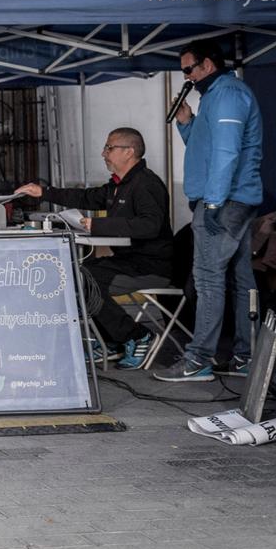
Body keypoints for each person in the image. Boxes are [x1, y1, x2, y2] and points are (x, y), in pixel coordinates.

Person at [14, 127, 172, 369]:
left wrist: (98, 225)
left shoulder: (146, 184)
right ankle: (112, 340)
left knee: (84, 280)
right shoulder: (118, 185)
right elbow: (86, 198)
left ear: (129, 152)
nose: (103, 153)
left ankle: (137, 335)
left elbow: (150, 225)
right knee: (74, 272)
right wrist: (44, 192)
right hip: (127, 262)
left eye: (110, 148)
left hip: (150, 266)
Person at [155, 40, 263, 383]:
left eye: (188, 69)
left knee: (208, 279)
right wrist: (186, 123)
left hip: (226, 200)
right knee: (241, 280)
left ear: (207, 66)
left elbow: (227, 153)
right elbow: (206, 151)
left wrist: (214, 201)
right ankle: (247, 357)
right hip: (231, 199)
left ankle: (198, 359)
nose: (185, 76)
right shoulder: (214, 98)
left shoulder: (229, 94)